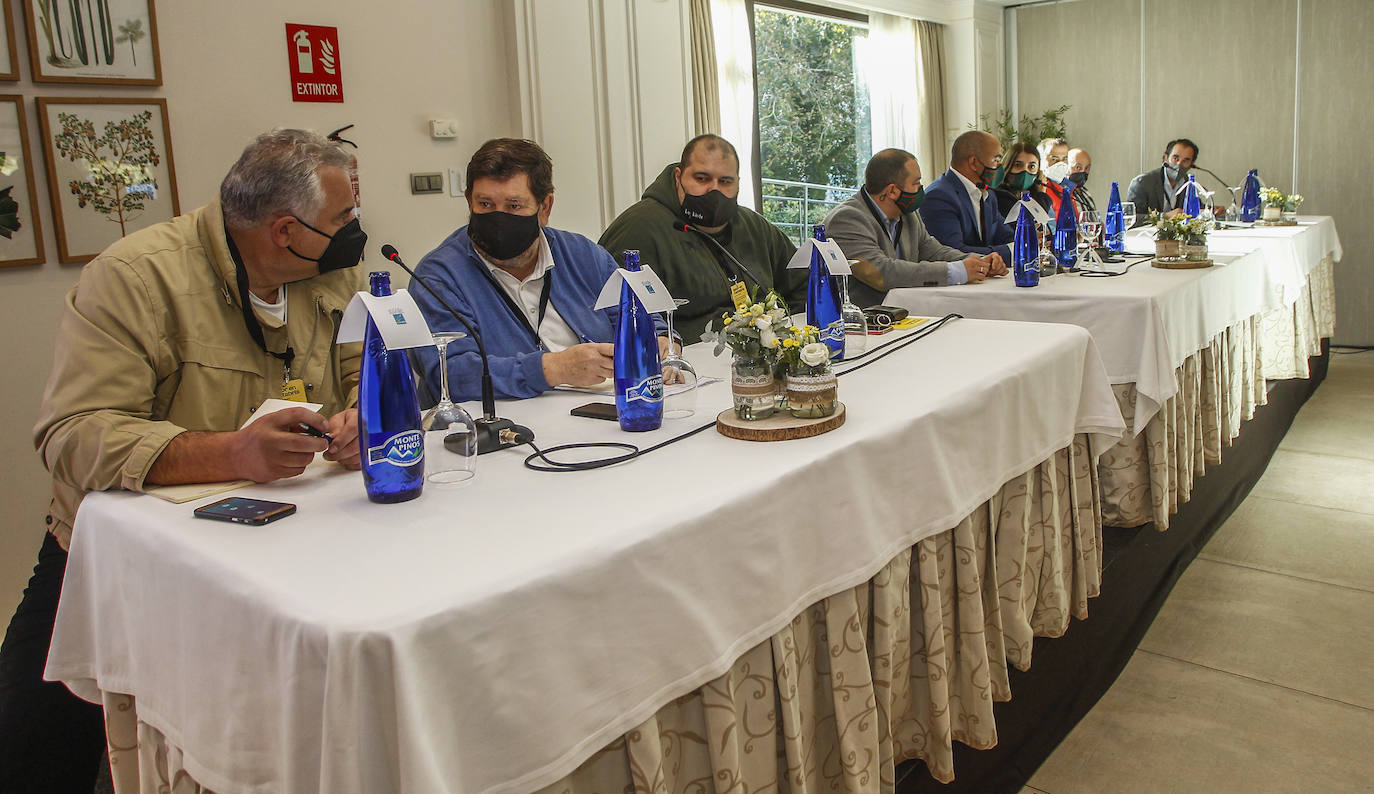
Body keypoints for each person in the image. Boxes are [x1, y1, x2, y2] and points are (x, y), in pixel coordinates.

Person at [1, 129, 367, 792]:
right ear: (285, 230)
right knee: (31, 746)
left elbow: (365, 369)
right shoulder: (137, 277)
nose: (355, 232)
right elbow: (72, 434)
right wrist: (233, 451)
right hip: (118, 556)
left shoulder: (331, 273)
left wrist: (366, 419)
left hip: (288, 542)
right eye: (343, 219)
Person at [411, 138, 671, 402]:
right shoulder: (437, 278)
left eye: (514, 206)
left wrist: (661, 341)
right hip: (505, 428)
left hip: (606, 409)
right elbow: (450, 376)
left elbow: (640, 314)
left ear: (544, 208)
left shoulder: (582, 254)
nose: (498, 219)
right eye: (486, 204)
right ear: (469, 201)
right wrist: (553, 369)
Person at [598, 134, 805, 342]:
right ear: (679, 176)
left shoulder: (755, 227)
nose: (714, 190)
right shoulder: (639, 229)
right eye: (702, 179)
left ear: (738, 184)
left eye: (725, 181)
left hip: (756, 362)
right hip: (681, 364)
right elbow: (613, 317)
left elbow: (804, 283)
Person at [823, 148, 1002, 307]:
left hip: (907, 311)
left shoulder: (908, 213)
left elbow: (933, 251)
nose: (921, 189)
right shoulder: (847, 219)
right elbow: (880, 272)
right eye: (916, 183)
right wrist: (958, 271)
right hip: (861, 322)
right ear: (892, 191)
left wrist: (979, 261)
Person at [918, 130, 1014, 267]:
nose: (1000, 167)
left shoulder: (988, 194)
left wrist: (1026, 239)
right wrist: (1011, 251)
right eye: (996, 160)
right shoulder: (939, 196)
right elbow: (953, 252)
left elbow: (1004, 235)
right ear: (973, 162)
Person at [1127, 138, 1199, 223]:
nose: (1179, 164)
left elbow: (1196, 210)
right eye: (1175, 158)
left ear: (1191, 165)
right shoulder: (1142, 183)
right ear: (1166, 158)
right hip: (1146, 235)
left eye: (1185, 161)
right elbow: (1130, 218)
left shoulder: (1188, 182)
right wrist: (1163, 216)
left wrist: (1213, 210)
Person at [992, 141, 1053, 219]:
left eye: (1032, 166)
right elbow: (1029, 221)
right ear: (1007, 167)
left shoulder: (1034, 194)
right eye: (1018, 165)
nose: (1025, 170)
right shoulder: (999, 195)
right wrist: (1042, 195)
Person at [1066, 147, 1096, 212]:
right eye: (1078, 167)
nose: (1083, 171)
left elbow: (1094, 218)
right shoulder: (1061, 194)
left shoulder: (1085, 192)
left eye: (1087, 168)